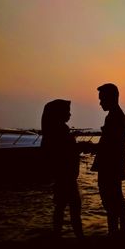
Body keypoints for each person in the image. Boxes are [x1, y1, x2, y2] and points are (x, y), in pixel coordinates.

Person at [41, 99, 87, 239]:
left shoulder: (54, 131)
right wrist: (81, 147)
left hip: (62, 177)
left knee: (60, 208)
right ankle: (80, 239)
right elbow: (66, 152)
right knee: (74, 208)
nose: (70, 114)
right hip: (66, 177)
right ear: (59, 114)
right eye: (67, 111)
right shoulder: (60, 131)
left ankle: (57, 237)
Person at [90, 83, 125, 236]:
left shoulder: (115, 118)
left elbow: (109, 146)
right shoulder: (115, 116)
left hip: (110, 166)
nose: (100, 103)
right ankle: (121, 231)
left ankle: (116, 233)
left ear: (110, 98)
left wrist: (91, 148)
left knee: (111, 201)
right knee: (115, 199)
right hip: (113, 165)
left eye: (102, 99)